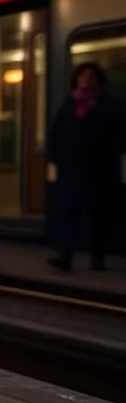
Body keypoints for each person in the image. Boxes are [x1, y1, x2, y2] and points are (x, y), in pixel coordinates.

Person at [47, 61, 125, 272]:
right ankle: (66, 256)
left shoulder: (111, 105)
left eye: (91, 76)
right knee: (70, 214)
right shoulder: (68, 105)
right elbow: (56, 134)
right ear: (77, 80)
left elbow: (120, 135)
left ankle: (97, 258)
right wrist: (57, 158)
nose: (87, 79)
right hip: (72, 169)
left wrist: (111, 154)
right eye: (83, 75)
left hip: (101, 170)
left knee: (99, 215)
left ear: (99, 80)